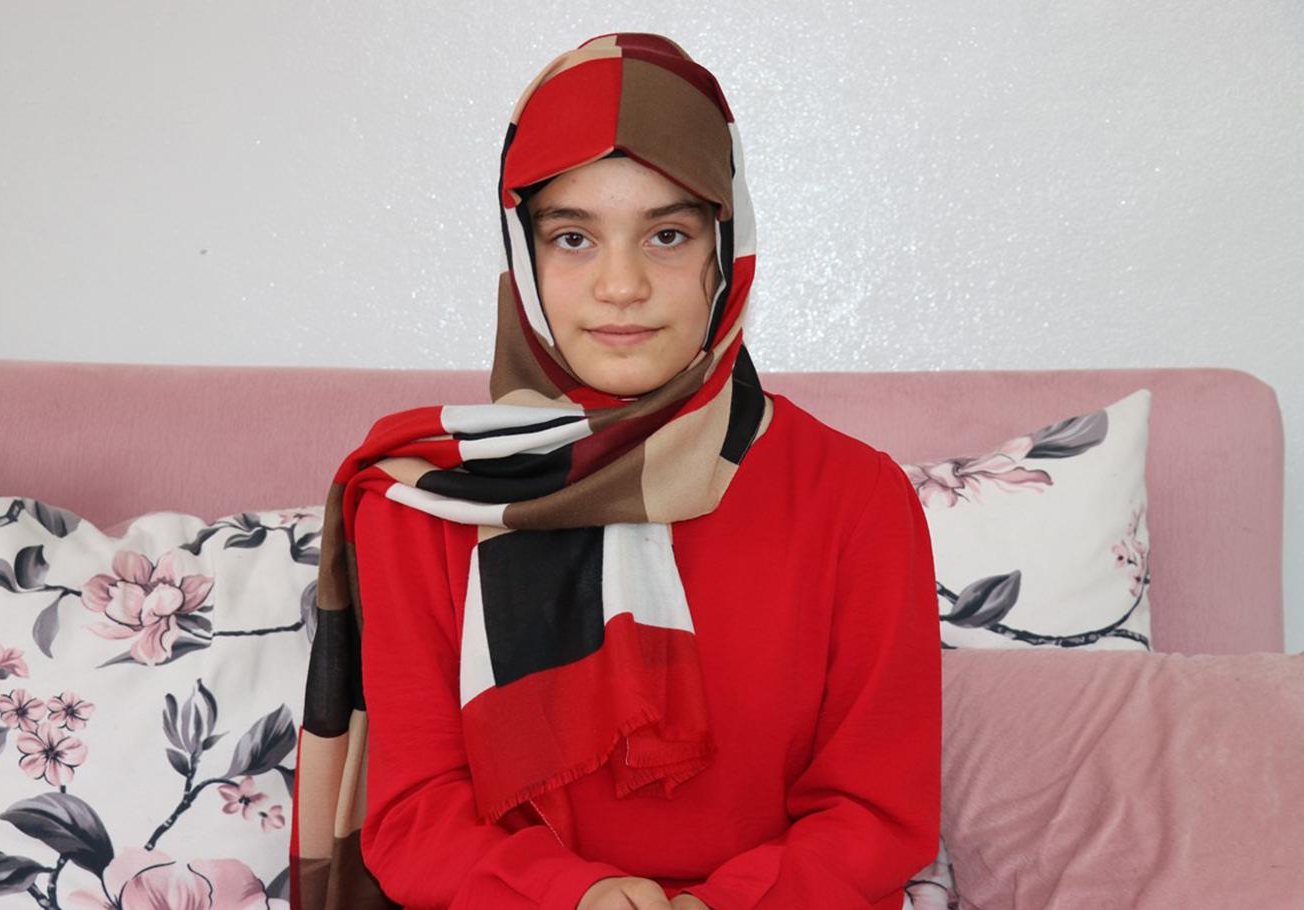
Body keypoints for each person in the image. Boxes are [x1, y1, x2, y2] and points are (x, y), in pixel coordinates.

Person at [290, 31, 942, 910]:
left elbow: (876, 812)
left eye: (667, 234)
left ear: (726, 248)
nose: (622, 285)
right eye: (573, 237)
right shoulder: (425, 500)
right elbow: (414, 819)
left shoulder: (855, 498)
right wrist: (576, 898)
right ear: (522, 256)